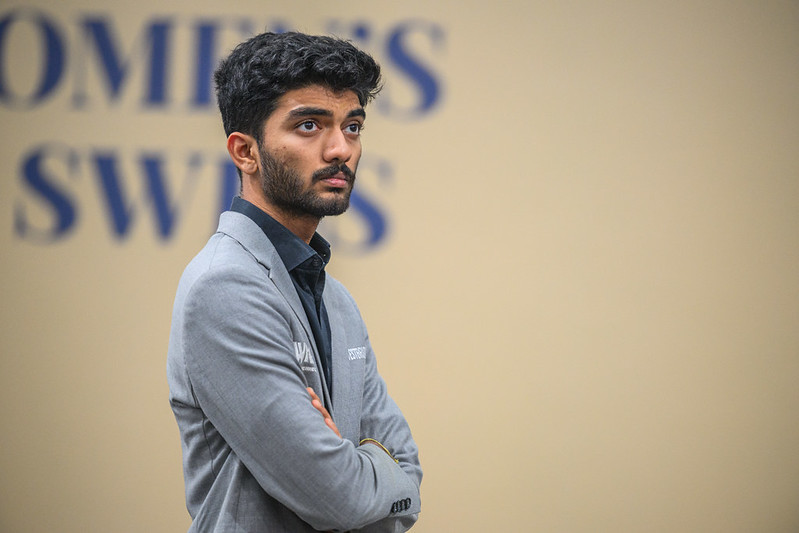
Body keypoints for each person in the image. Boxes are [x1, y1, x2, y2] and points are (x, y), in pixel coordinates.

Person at [166, 32, 422, 532]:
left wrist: (358, 469)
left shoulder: (336, 299)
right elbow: (338, 499)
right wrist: (368, 470)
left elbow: (409, 473)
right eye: (309, 125)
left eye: (352, 127)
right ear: (245, 151)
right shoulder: (224, 288)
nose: (340, 149)